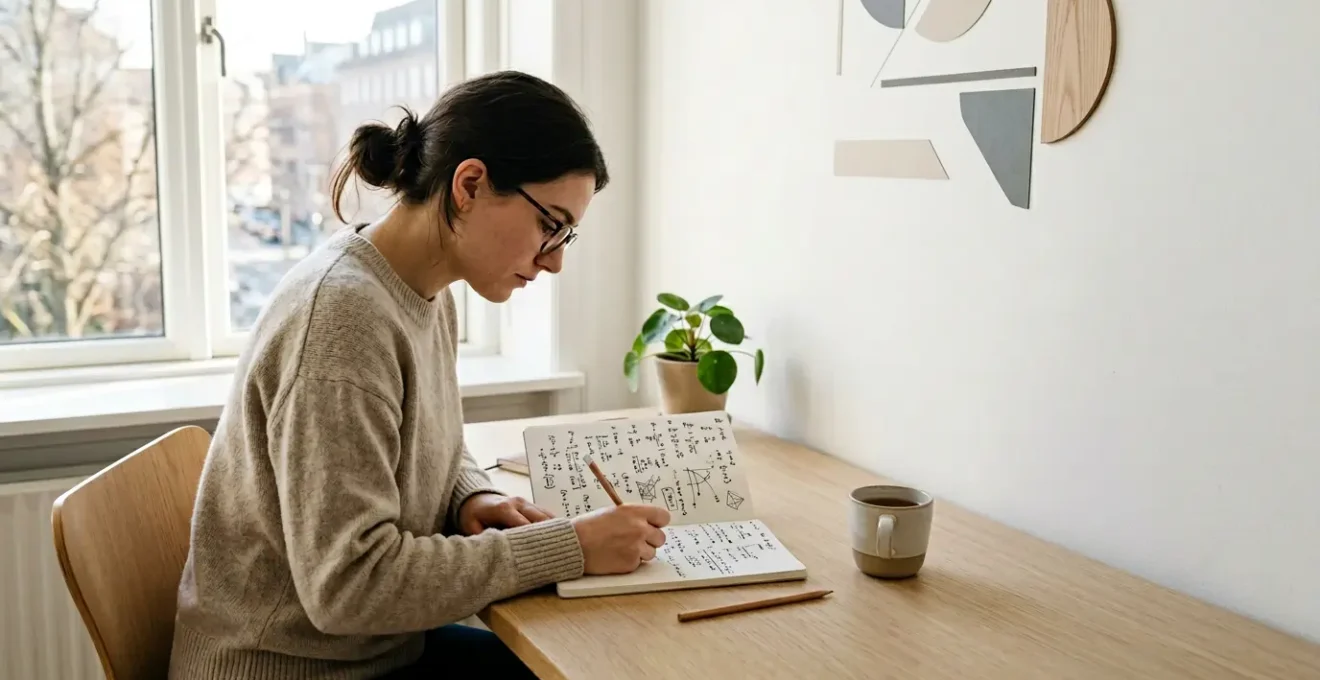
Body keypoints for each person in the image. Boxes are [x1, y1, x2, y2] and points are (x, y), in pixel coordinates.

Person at [168, 70, 671, 679]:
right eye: (549, 224)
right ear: (470, 184)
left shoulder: (422, 289)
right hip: (291, 668)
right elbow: (348, 585)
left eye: (567, 234)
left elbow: (432, 444)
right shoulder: (342, 321)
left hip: (373, 652)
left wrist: (471, 497)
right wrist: (568, 547)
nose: (556, 259)